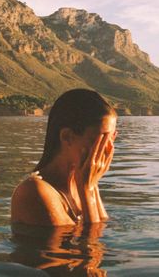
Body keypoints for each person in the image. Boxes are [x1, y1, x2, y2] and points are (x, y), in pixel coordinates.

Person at [11, 89, 117, 226]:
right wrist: (87, 190)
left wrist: (93, 185)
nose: (108, 149)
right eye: (101, 139)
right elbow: (93, 246)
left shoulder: (79, 183)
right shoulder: (34, 192)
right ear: (67, 137)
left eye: (112, 138)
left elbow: (103, 228)